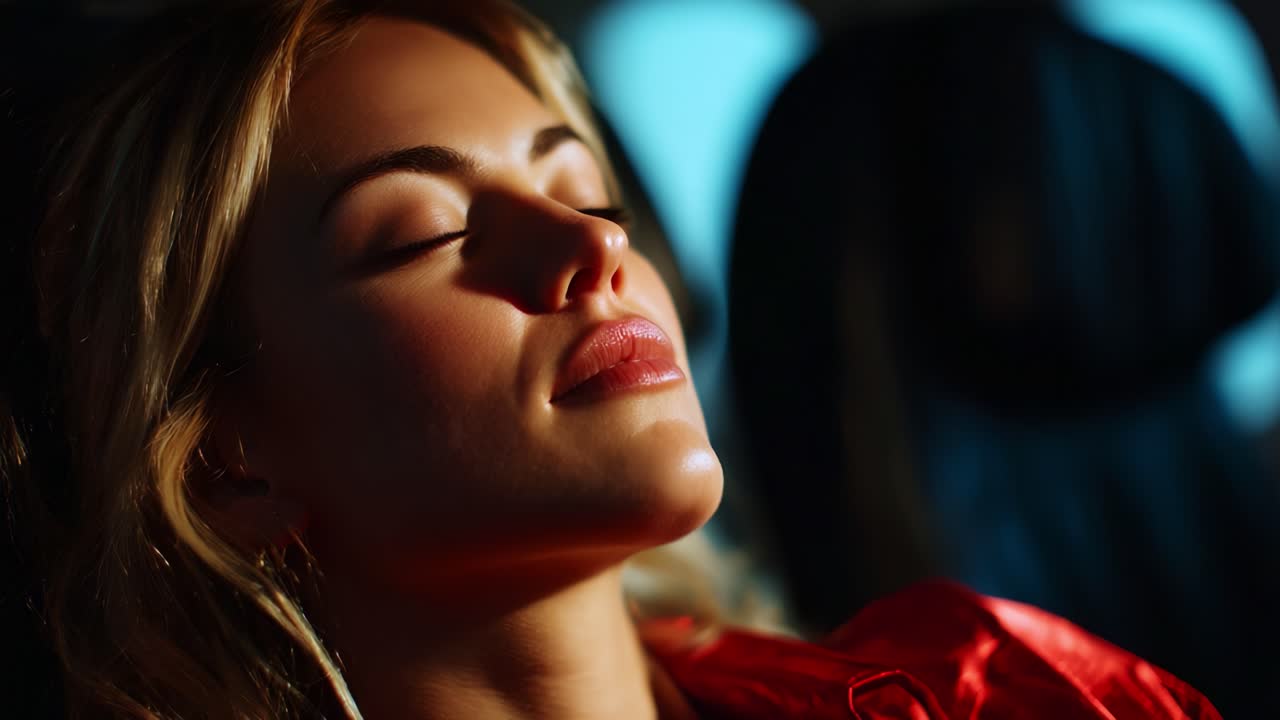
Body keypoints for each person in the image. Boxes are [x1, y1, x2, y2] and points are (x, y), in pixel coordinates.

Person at [0, 1, 1221, 718]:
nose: (590, 246)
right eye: (423, 232)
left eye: (584, 190)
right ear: (228, 466)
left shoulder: (999, 687)